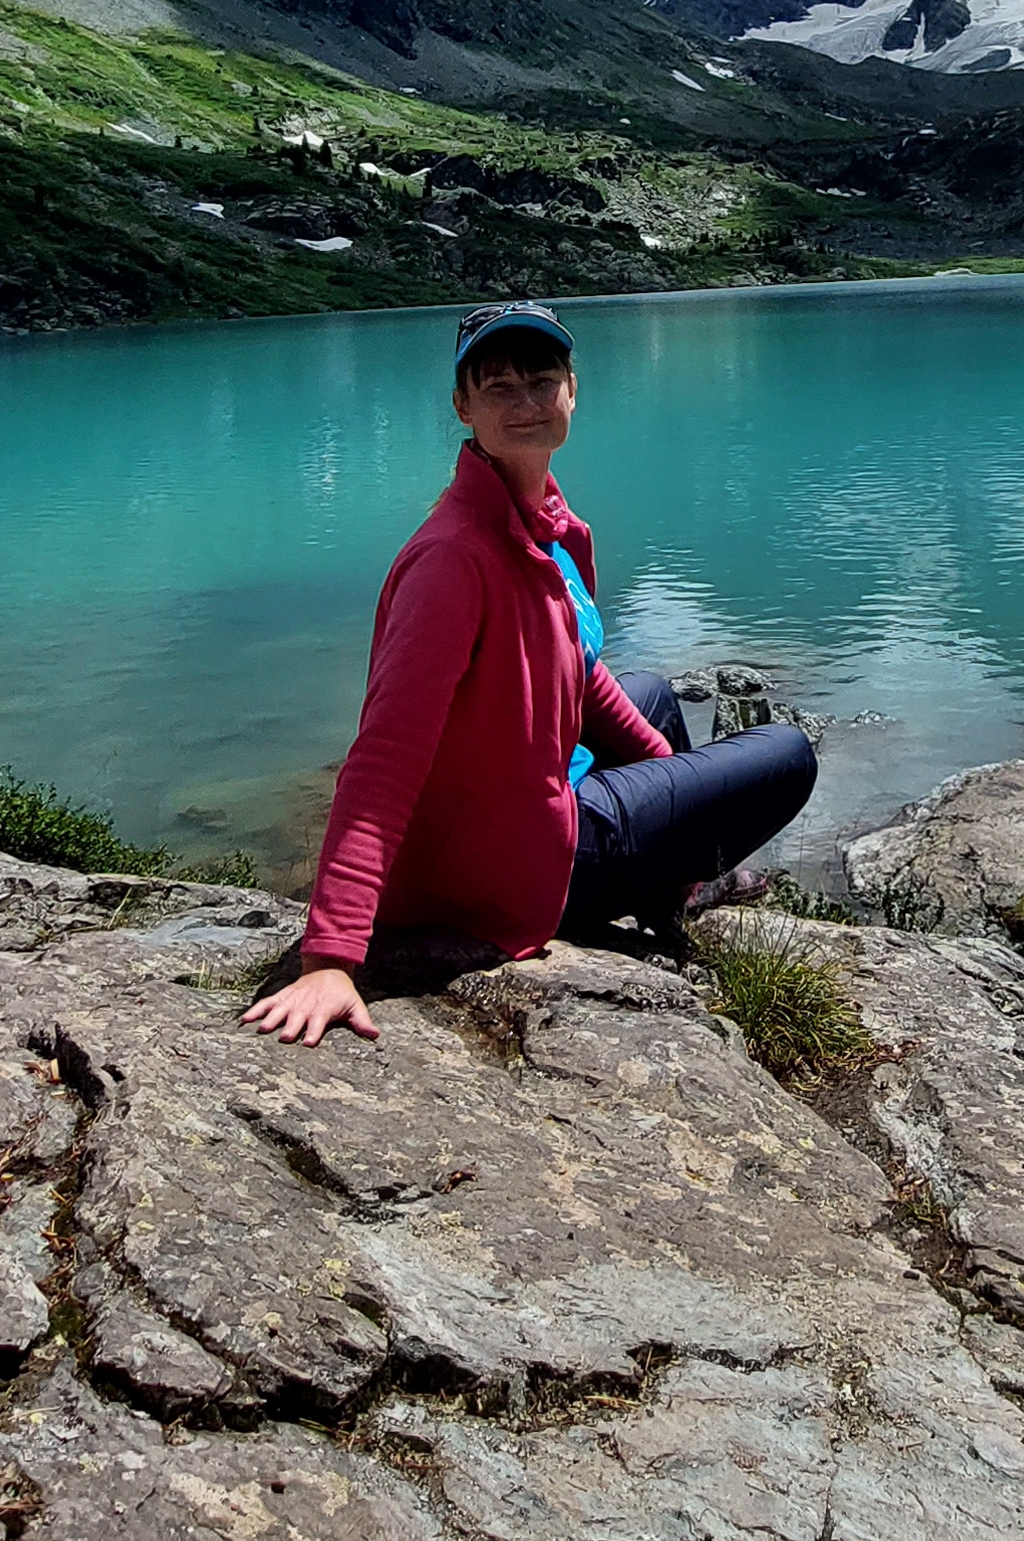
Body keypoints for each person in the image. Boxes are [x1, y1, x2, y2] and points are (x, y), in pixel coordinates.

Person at [244, 298, 818, 1049]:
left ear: (572, 391)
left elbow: (577, 678)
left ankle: (673, 889)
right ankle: (664, 887)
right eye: (498, 388)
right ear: (463, 407)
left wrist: (675, 781)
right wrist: (332, 954)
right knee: (787, 756)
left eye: (541, 381)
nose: (525, 403)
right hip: (500, 870)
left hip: (511, 806)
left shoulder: (538, 521)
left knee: (651, 695)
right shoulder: (454, 559)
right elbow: (384, 754)